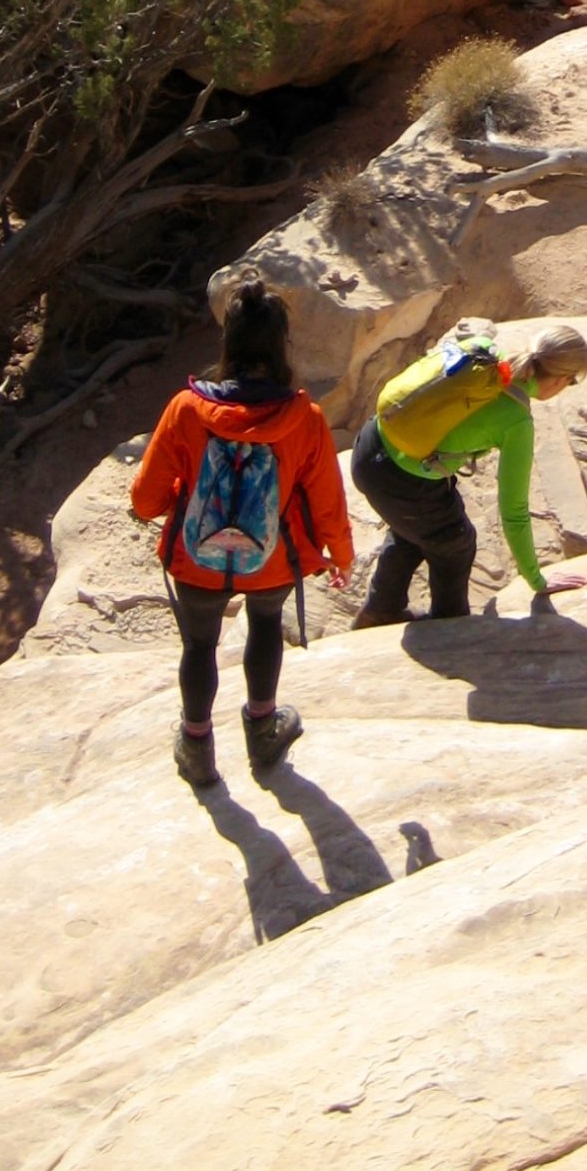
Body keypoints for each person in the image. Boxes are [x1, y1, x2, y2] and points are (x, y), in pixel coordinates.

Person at [131, 278, 353, 789]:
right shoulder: (305, 420)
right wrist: (340, 554)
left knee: (199, 645)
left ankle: (197, 749)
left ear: (227, 342)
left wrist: (182, 497)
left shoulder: (186, 410)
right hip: (273, 559)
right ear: (281, 346)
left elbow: (145, 501)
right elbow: (327, 502)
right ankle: (262, 729)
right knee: (266, 625)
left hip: (197, 559)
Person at [350, 321, 587, 626]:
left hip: (370, 444)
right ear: (559, 379)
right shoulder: (517, 421)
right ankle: (450, 627)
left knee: (413, 529)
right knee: (455, 542)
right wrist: (536, 579)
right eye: (572, 382)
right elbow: (514, 512)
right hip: (404, 480)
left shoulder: (483, 349)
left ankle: (380, 610)